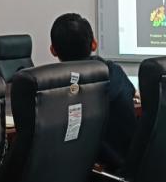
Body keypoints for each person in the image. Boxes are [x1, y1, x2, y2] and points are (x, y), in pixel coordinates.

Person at [50, 13, 136, 171]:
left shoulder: (56, 89)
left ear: (53, 50)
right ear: (94, 44)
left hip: (94, 174)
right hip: (126, 169)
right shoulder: (114, 71)